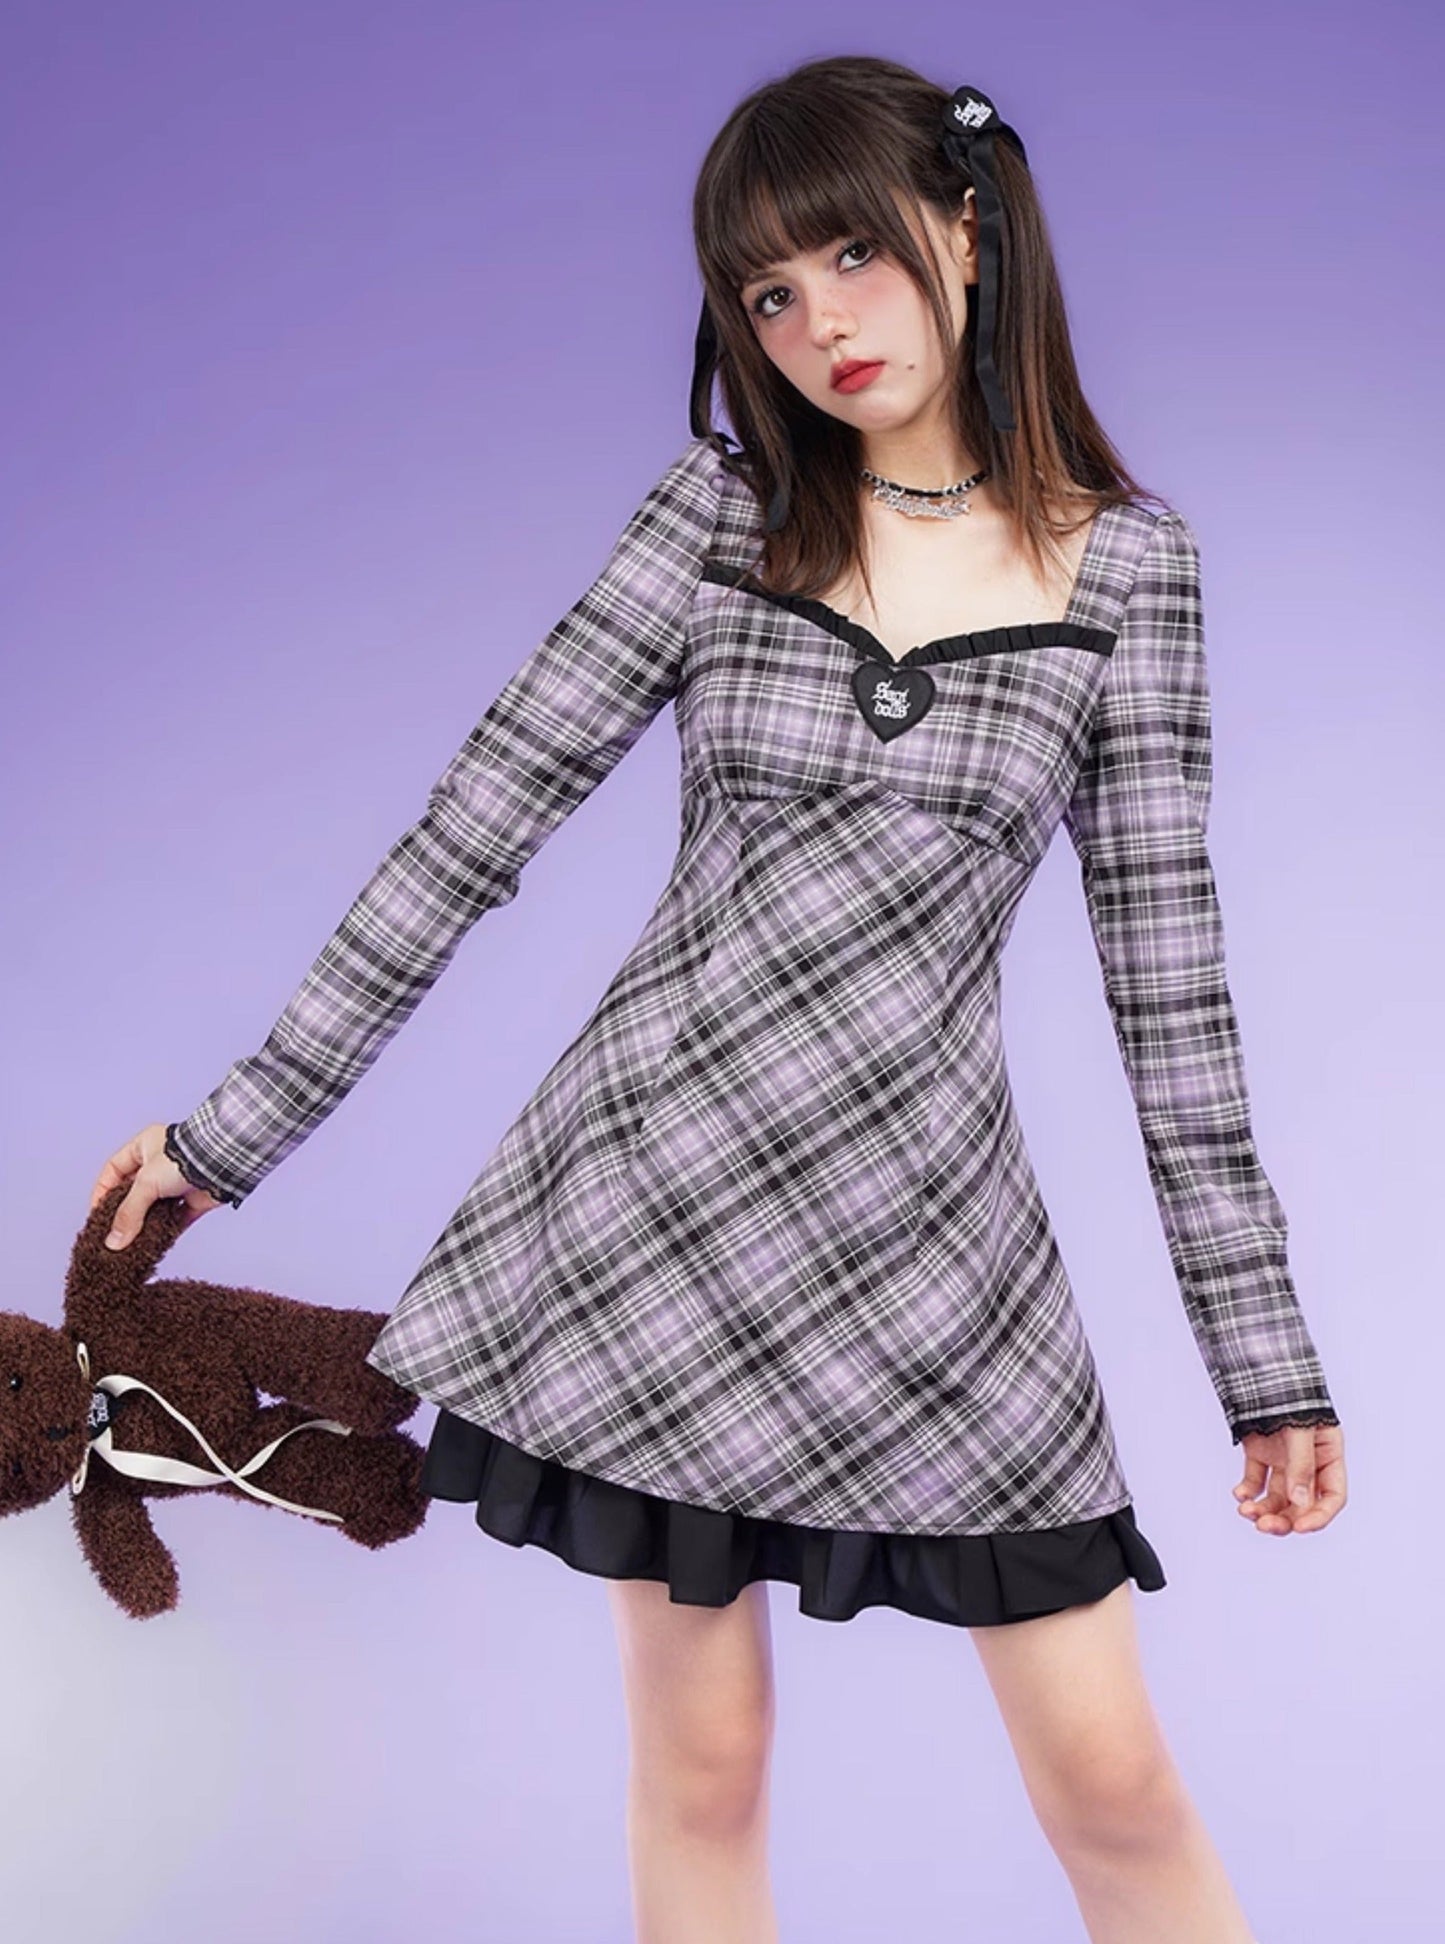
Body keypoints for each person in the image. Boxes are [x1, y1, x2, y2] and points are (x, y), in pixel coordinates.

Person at [91, 54, 1346, 1944]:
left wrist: (1263, 1361)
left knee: (1111, 1783)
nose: (820, 321)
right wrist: (230, 1134)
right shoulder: (715, 517)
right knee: (706, 1765)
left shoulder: (1130, 569)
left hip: (931, 1252)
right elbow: (469, 833)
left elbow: (1170, 991)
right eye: (767, 291)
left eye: (854, 253)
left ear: (968, 231)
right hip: (653, 1218)